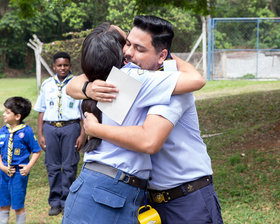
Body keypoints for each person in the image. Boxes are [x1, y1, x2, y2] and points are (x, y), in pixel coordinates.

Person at [70, 15, 223, 224]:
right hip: (150, 202)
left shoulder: (167, 85)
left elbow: (148, 140)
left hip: (187, 199)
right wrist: (87, 88)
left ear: (162, 56)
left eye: (139, 49)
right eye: (127, 44)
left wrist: (96, 129)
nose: (129, 53)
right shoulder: (126, 81)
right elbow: (85, 76)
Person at [34, 52, 86, 216]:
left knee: (70, 166)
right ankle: (55, 202)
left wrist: (82, 134)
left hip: (71, 128)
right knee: (53, 166)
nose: (62, 68)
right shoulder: (46, 84)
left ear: (70, 66)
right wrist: (40, 134)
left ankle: (67, 201)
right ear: (54, 66)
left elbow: (83, 112)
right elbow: (41, 111)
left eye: (65, 65)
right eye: (59, 65)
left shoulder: (78, 84)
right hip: (50, 129)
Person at [0, 97, 41, 224]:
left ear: (17, 116)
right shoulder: (3, 131)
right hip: (3, 173)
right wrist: (2, 167)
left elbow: (36, 151)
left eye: (7, 112)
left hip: (19, 174)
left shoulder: (26, 131)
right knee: (3, 204)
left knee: (18, 205)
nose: (3, 114)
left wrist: (28, 167)